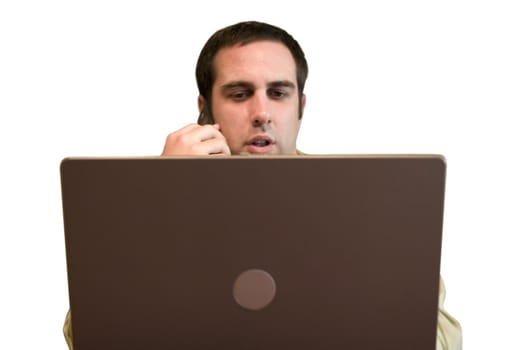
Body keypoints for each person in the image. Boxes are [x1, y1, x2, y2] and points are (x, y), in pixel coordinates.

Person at [63, 21, 462, 349]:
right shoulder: (151, 205)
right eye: (240, 94)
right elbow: (85, 335)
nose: (262, 113)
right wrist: (163, 194)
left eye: (278, 93)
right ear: (205, 110)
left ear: (301, 107)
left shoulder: (362, 201)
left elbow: (441, 340)